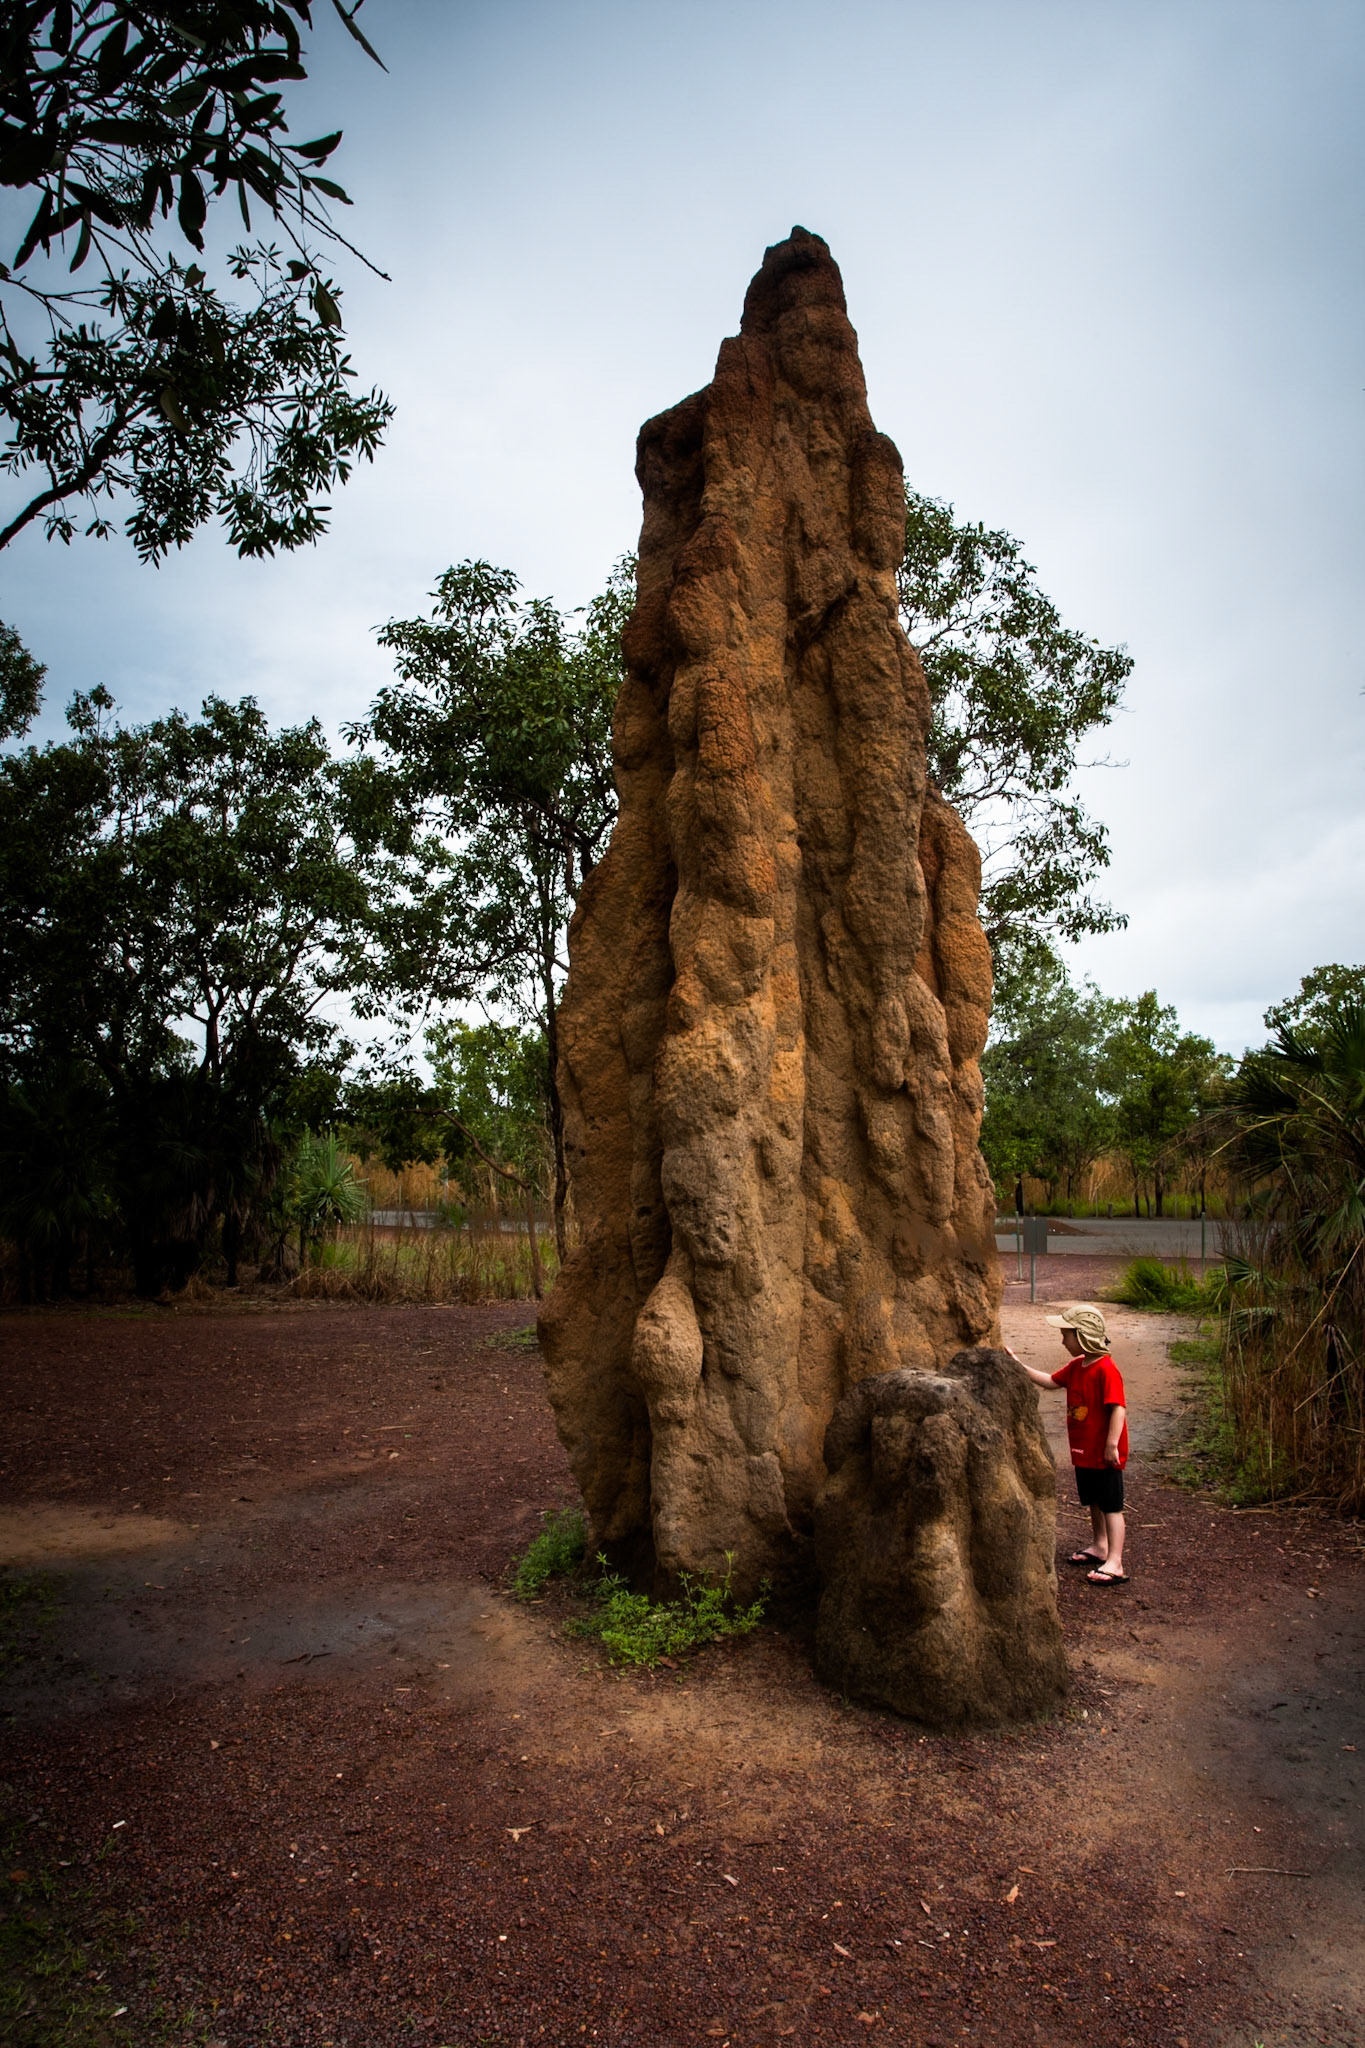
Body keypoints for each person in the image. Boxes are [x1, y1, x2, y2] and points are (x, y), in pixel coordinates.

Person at [1007, 1303, 1129, 1587]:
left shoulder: (1106, 1370)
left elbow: (1118, 1408)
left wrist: (1112, 1443)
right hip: (1084, 1451)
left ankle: (1116, 1560)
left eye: (1067, 1335)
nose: (1063, 1341)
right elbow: (1050, 1381)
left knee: (1111, 1505)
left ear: (1083, 1334)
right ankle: (1100, 1546)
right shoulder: (1077, 1366)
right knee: (1094, 1501)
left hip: (1104, 1452)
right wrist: (1017, 1366)